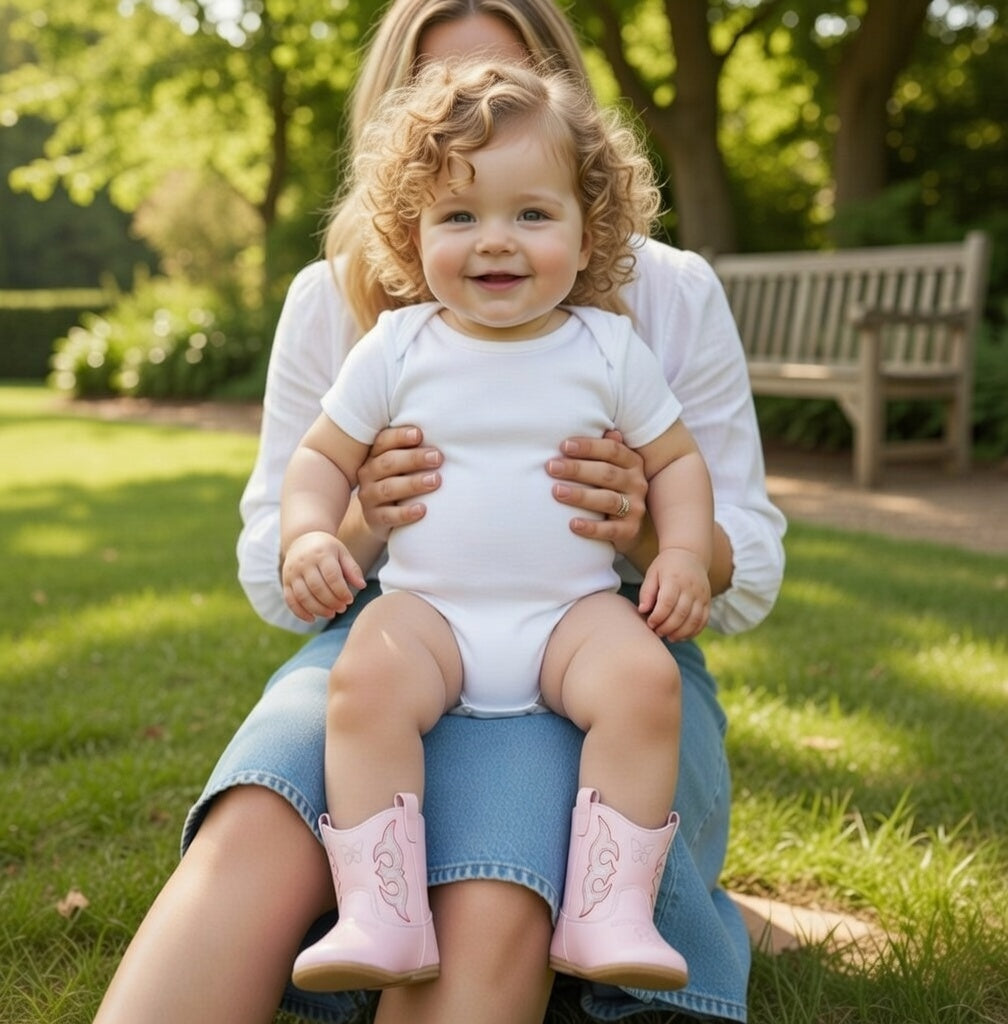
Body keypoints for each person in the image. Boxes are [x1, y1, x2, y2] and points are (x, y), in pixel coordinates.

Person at [93, 2, 786, 1023]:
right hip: (398, 625)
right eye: (442, 101)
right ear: (400, 149)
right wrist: (353, 520)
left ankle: (607, 914)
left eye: (508, 93)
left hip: (596, 629)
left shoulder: (661, 300)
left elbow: (748, 567)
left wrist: (650, 528)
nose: (478, 117)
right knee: (263, 822)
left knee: (490, 886)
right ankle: (359, 911)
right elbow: (279, 563)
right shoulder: (345, 309)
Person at [279, 58, 713, 996]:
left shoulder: (607, 347)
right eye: (460, 216)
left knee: (644, 681)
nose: (495, 242)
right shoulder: (397, 347)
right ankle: (381, 912)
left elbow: (677, 460)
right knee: (362, 683)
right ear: (413, 233)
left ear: (588, 228)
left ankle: (610, 911)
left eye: (532, 214)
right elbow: (319, 458)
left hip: (569, 614)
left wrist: (678, 550)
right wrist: (313, 534)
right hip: (431, 610)